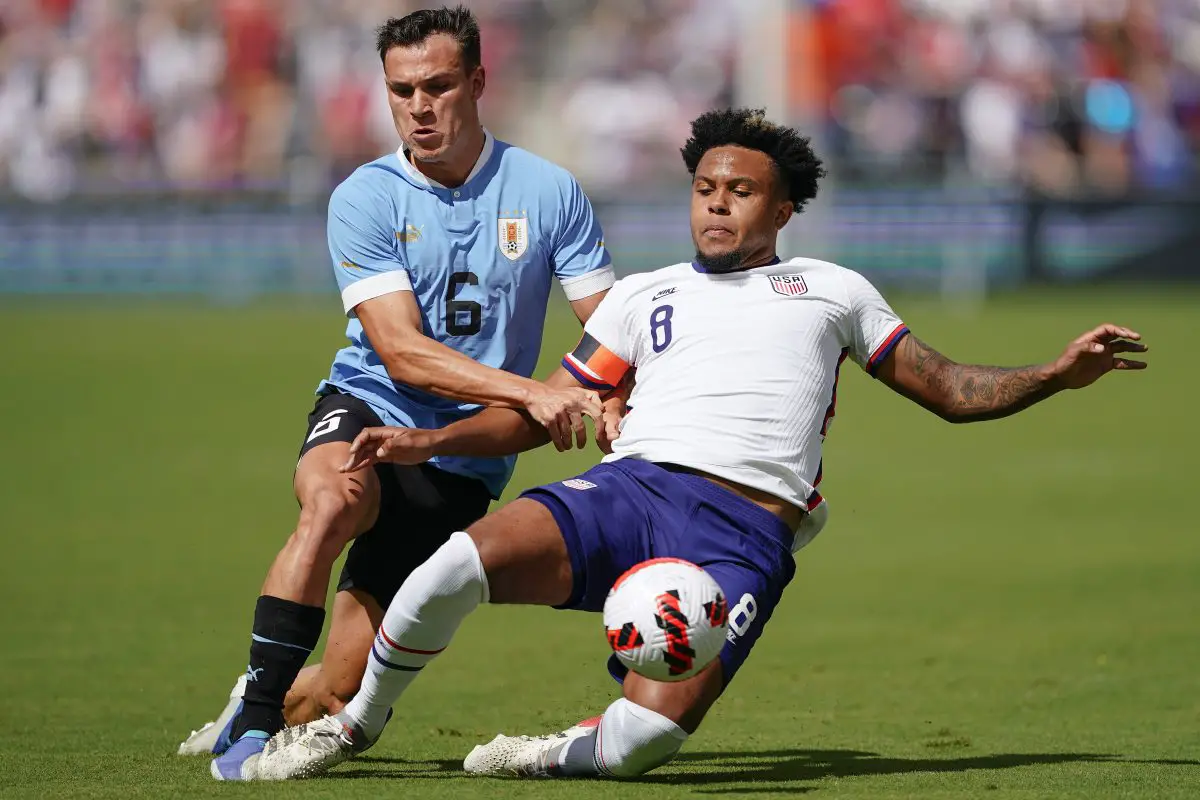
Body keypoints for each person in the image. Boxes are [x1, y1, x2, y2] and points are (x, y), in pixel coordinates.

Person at [253, 107, 1147, 782]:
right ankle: (356, 722)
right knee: (449, 568)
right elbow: (552, 406)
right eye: (705, 189)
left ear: (784, 208)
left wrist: (1052, 375)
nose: (717, 206)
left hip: (742, 534)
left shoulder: (833, 290)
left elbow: (949, 390)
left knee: (643, 746)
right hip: (632, 489)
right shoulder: (644, 295)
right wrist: (432, 440)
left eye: (742, 192)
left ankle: (552, 753)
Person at [189, 7, 618, 781]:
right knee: (332, 503)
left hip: (463, 460)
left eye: (438, 86)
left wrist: (612, 396)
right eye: (401, 90)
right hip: (370, 405)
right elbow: (401, 351)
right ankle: (253, 726)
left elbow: (610, 327)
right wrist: (535, 392)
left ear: (478, 82)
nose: (419, 107)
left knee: (336, 688)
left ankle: (260, 693)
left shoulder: (550, 192)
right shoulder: (365, 196)